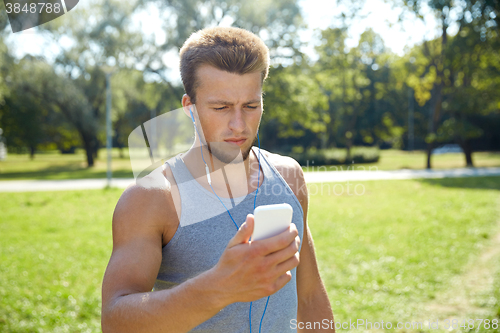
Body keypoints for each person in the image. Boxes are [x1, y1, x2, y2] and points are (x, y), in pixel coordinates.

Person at [101, 26, 334, 332]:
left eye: (251, 106)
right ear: (190, 107)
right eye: (221, 107)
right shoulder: (152, 197)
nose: (238, 124)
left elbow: (309, 295)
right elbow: (115, 320)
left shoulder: (289, 176)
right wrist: (218, 287)